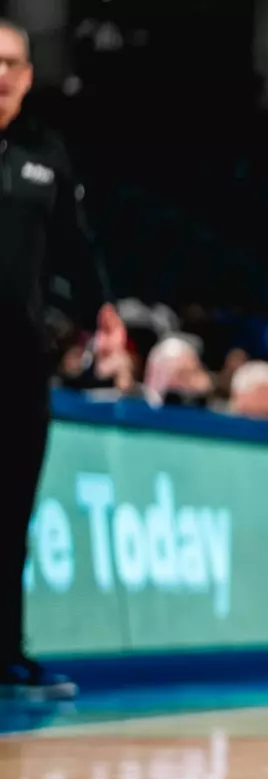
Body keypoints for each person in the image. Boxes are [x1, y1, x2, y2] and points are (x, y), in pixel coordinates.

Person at [0, 18, 116, 701]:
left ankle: (7, 655)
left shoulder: (47, 155)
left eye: (13, 61)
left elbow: (78, 249)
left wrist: (101, 314)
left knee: (11, 515)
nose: (3, 74)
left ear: (29, 75)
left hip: (19, 372)